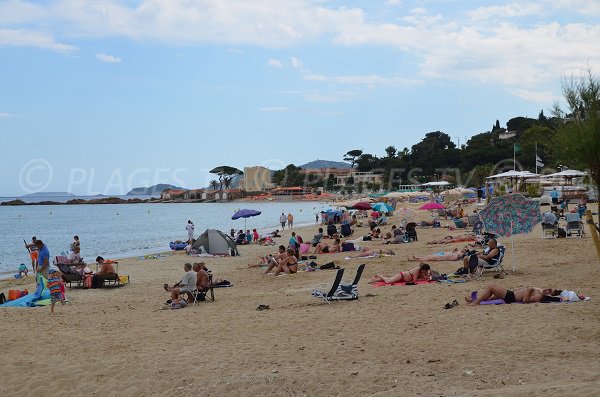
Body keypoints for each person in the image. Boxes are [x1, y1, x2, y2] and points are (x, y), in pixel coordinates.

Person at [466, 284, 560, 305]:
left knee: (491, 287)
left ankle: (476, 302)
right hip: (511, 294)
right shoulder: (541, 291)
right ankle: (475, 300)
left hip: (511, 297)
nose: (547, 289)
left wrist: (529, 290)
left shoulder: (539, 297)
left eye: (549, 291)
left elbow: (525, 301)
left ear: (549, 295)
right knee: (493, 294)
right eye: (549, 289)